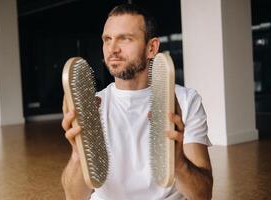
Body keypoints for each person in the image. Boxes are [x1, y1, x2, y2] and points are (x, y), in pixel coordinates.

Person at [61, 3, 213, 200]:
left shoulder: (185, 101)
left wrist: (178, 162)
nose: (112, 49)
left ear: (152, 47)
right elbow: (74, 197)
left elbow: (203, 195)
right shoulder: (93, 106)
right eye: (107, 39)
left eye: (125, 38)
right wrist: (78, 153)